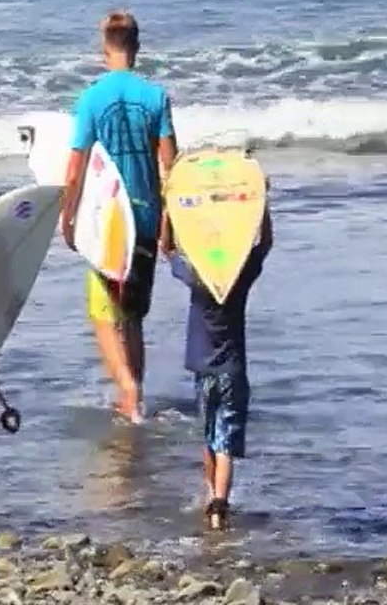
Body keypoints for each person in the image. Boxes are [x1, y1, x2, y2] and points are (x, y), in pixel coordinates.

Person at [60, 10, 178, 422]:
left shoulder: (91, 99)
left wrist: (67, 217)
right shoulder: (156, 97)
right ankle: (136, 397)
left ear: (103, 50)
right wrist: (169, 225)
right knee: (132, 315)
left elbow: (75, 170)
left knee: (102, 313)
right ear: (138, 48)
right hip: (145, 217)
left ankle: (127, 389)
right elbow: (171, 169)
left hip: (108, 220)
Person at [165, 197, 273, 531]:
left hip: (202, 370)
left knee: (209, 436)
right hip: (232, 371)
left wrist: (169, 209)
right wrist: (261, 204)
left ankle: (211, 496)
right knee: (226, 439)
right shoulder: (238, 276)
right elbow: (265, 243)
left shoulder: (198, 276)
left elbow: (166, 248)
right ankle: (219, 504)